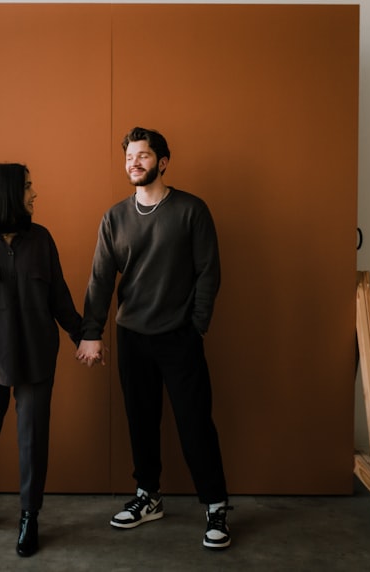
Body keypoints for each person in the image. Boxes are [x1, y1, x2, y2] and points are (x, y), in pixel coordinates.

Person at [75, 126, 232, 550]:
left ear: (162, 162)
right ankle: (149, 496)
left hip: (179, 336)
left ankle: (215, 506)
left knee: (195, 422)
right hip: (132, 337)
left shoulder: (191, 210)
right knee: (140, 421)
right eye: (129, 157)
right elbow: (100, 280)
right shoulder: (115, 218)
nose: (134, 163)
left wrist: (197, 323)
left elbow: (208, 271)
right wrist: (92, 332)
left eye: (143, 156)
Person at [0, 163, 83, 558]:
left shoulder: (41, 240)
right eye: (28, 187)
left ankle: (30, 516)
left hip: (37, 357)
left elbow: (59, 296)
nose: (34, 194)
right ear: (7, 192)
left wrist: (84, 336)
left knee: (33, 439)